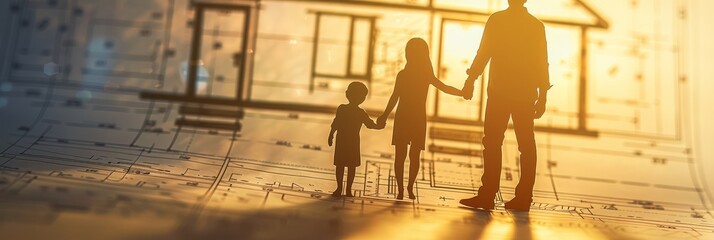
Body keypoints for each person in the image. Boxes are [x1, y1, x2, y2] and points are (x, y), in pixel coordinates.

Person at [459, 0, 550, 211]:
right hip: (525, 95)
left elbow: (484, 53)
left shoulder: (497, 20)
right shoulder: (536, 26)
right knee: (526, 146)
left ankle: (487, 195)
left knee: (492, 143)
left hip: (499, 92)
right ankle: (524, 198)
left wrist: (470, 80)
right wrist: (543, 95)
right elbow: (541, 62)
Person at [377, 38, 463, 200]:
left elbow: (394, 98)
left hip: (403, 116)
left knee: (400, 156)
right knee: (414, 156)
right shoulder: (425, 75)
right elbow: (444, 88)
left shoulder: (403, 75)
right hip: (417, 118)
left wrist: (384, 116)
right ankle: (408, 188)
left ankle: (402, 190)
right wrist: (462, 93)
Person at [328, 82, 382, 197]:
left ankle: (346, 189)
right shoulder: (346, 110)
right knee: (342, 165)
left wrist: (331, 134)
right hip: (348, 141)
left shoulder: (355, 112)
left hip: (348, 141)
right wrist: (331, 134)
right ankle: (341, 188)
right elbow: (336, 123)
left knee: (346, 166)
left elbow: (369, 124)